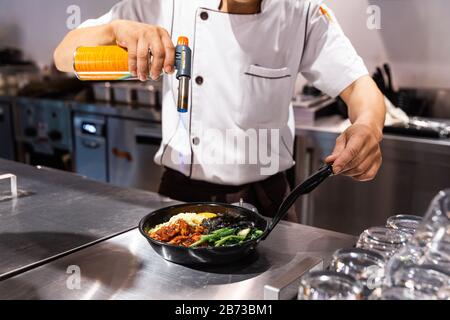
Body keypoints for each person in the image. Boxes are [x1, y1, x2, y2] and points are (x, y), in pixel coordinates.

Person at [54, 0, 385, 218]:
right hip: (181, 198)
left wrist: (368, 127)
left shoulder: (301, 11)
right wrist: (115, 30)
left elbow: (359, 86)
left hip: (269, 202)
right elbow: (64, 55)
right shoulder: (162, 4)